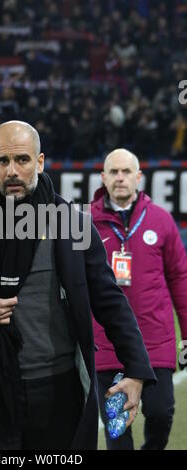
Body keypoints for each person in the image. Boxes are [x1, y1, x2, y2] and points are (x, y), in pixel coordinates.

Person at [0, 121, 156, 450]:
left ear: (41, 161)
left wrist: (135, 370)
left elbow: (109, 301)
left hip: (58, 390)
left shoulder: (71, 223)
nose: (12, 171)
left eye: (22, 159)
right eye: (2, 162)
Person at [91, 148, 187, 450]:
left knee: (161, 413)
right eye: (114, 172)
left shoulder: (160, 220)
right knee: (117, 429)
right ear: (103, 177)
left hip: (154, 343)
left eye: (126, 172)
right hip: (108, 345)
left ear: (138, 178)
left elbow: (180, 279)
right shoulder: (85, 223)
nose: (120, 178)